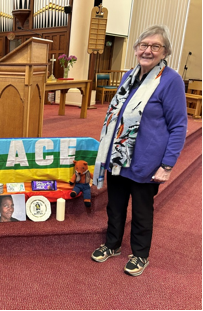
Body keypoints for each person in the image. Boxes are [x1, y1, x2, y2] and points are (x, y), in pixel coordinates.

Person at [91, 25, 188, 277]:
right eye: (144, 45)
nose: (148, 50)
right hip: (118, 156)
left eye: (155, 46)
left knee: (142, 211)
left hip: (146, 160)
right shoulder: (129, 76)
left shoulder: (171, 80)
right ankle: (112, 245)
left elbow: (179, 125)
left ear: (165, 51)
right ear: (136, 49)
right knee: (115, 205)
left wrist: (166, 165)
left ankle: (140, 254)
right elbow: (117, 114)